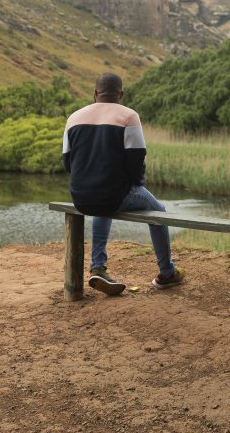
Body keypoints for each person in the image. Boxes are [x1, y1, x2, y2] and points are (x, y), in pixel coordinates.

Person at [62, 73, 184, 295]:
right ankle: (167, 273)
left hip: (80, 197)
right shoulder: (129, 116)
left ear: (95, 93)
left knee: (104, 203)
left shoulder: (74, 118)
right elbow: (137, 160)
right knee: (160, 212)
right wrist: (136, 185)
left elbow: (67, 163)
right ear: (121, 94)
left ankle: (98, 267)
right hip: (114, 195)